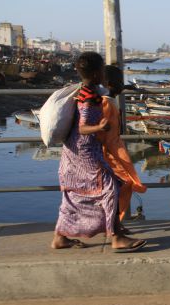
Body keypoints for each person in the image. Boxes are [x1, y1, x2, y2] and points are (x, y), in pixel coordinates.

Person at [51, 52, 147, 252]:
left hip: (73, 150)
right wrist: (100, 127)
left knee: (73, 193)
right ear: (96, 74)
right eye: (103, 69)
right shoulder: (90, 98)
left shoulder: (84, 90)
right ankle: (116, 237)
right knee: (111, 187)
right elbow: (83, 127)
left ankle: (59, 238)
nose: (105, 73)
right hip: (85, 151)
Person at [97, 65, 147, 230]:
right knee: (120, 185)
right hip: (109, 153)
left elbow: (114, 90)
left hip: (114, 151)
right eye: (120, 82)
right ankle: (114, 225)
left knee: (121, 185)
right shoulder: (106, 103)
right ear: (110, 84)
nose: (122, 85)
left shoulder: (109, 97)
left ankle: (114, 224)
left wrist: (125, 87)